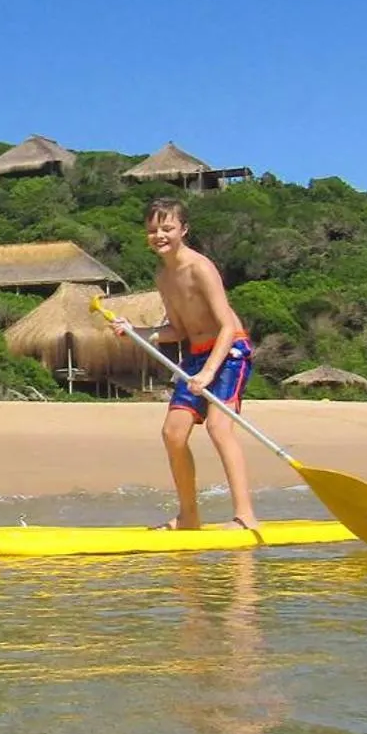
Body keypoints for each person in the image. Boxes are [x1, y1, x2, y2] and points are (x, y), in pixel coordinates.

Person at [116, 196, 259, 531]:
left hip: (229, 353)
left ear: (183, 229)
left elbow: (227, 326)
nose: (159, 235)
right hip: (195, 356)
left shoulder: (200, 268)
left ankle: (246, 516)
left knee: (218, 428)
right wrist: (135, 332)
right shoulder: (163, 277)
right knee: (173, 433)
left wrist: (209, 371)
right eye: (153, 229)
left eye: (167, 228)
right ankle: (189, 516)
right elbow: (177, 330)